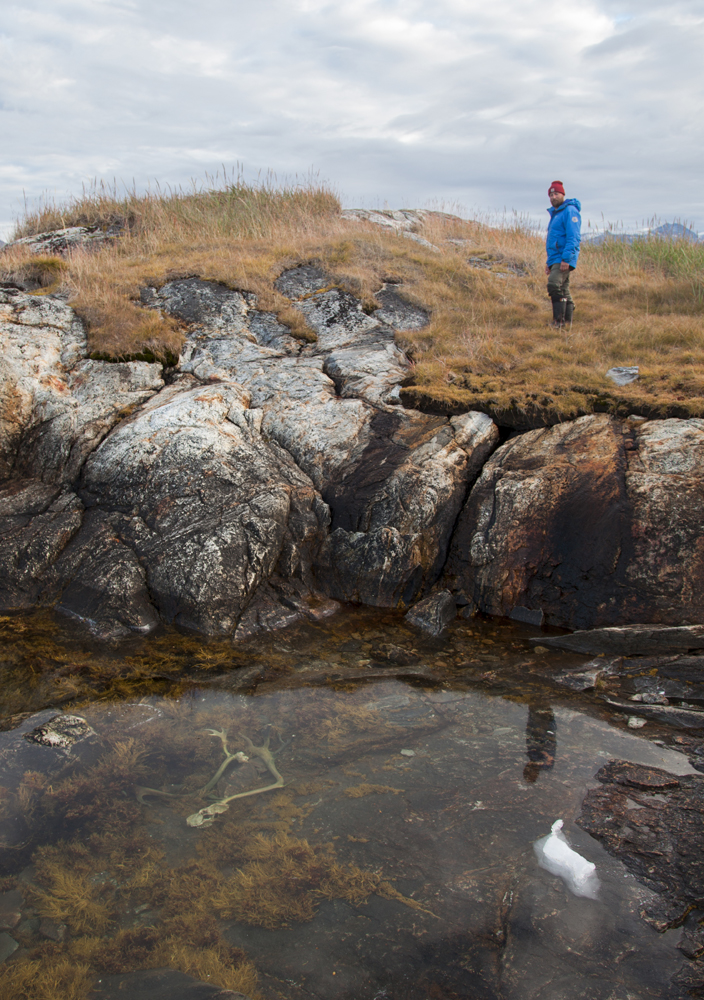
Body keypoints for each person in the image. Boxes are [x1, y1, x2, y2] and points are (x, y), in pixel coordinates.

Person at [545, 181, 581, 327]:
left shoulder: (570, 211)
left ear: (563, 195)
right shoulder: (556, 214)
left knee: (554, 284)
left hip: (563, 257)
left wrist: (566, 258)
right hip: (556, 258)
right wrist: (549, 262)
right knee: (563, 288)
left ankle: (558, 321)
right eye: (551, 195)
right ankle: (567, 322)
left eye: (556, 194)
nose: (553, 197)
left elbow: (573, 237)